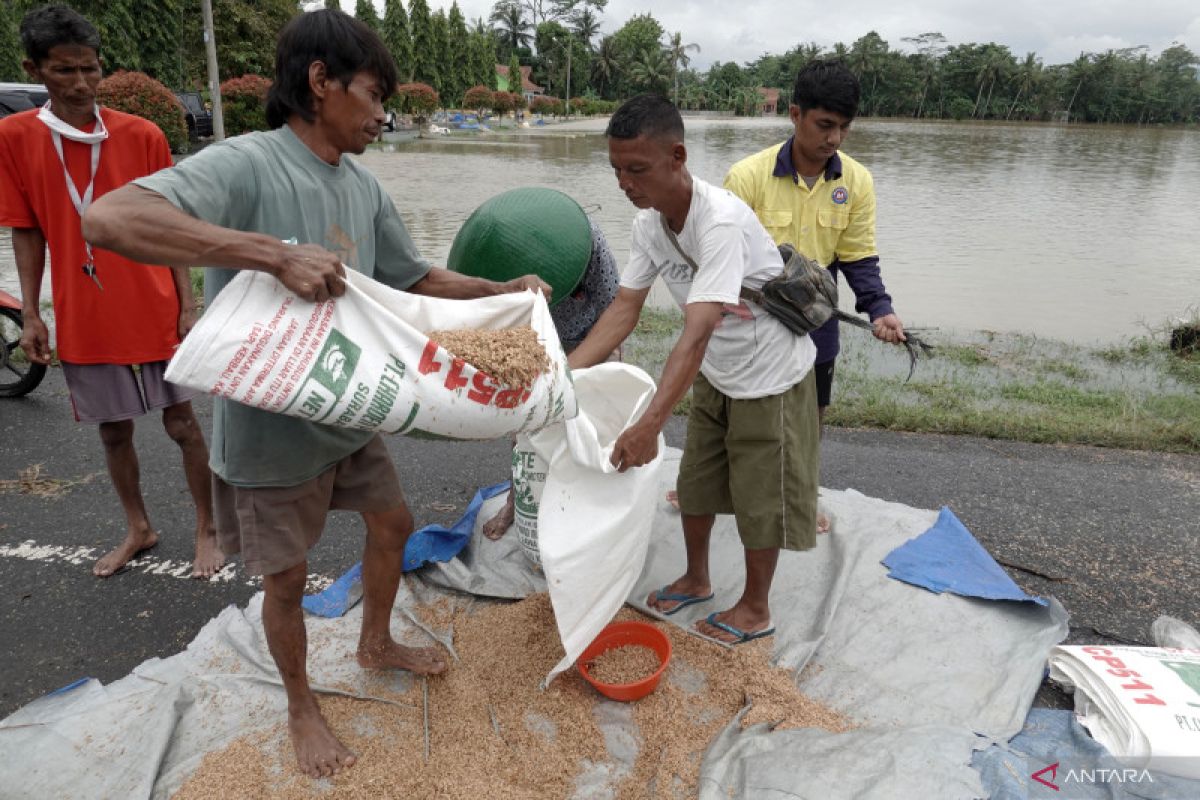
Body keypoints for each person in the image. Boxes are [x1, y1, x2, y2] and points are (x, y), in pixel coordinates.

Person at [83, 9, 549, 778]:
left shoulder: (360, 185)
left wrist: (498, 292)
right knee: (288, 579)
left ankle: (375, 642)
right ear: (319, 81)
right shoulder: (247, 163)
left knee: (394, 524)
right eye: (372, 93)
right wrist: (267, 254)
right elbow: (110, 217)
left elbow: (415, 277)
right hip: (271, 426)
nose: (382, 113)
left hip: (345, 408)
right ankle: (302, 705)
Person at [566, 95, 821, 645]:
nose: (625, 183)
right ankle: (698, 577)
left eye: (637, 169)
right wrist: (561, 377)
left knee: (760, 495)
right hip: (717, 371)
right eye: (616, 170)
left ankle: (756, 608)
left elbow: (697, 329)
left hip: (768, 374)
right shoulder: (649, 226)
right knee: (698, 482)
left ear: (677, 157)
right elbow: (624, 308)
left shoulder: (721, 222)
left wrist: (649, 424)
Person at [0, 5, 223, 579]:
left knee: (183, 425)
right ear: (34, 68)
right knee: (114, 429)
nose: (80, 83)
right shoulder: (14, 137)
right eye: (63, 71)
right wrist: (30, 314)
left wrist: (189, 306)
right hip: (84, 311)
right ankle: (139, 529)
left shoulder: (142, 134)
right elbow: (27, 232)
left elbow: (170, 225)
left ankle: (209, 527)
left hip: (154, 305)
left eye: (90, 70)